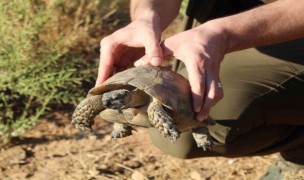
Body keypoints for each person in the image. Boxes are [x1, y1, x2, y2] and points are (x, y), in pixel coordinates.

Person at [96, 0, 304, 179]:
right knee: (179, 130)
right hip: (220, 22)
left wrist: (224, 34)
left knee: (206, 118)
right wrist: (147, 16)